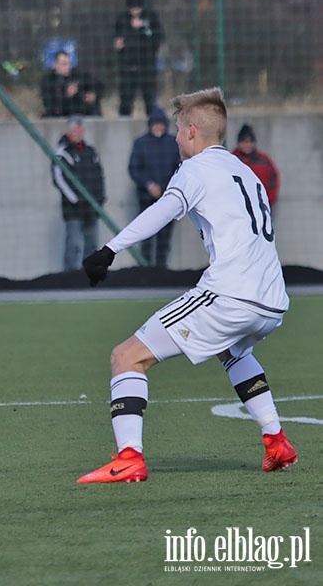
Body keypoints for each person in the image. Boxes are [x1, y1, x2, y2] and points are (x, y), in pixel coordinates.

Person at [78, 87, 295, 483]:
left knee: (126, 357)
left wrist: (109, 250)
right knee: (231, 350)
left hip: (231, 294)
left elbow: (161, 211)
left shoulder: (195, 170)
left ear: (192, 131)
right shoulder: (243, 169)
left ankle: (129, 458)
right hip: (273, 301)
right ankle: (276, 440)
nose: (177, 137)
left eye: (179, 129)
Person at [127, 107, 181, 268]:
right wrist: (148, 184)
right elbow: (134, 168)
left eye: (160, 124)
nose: (158, 127)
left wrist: (166, 188)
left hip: (168, 199)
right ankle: (146, 269)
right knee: (146, 235)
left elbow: (179, 168)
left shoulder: (173, 143)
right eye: (155, 124)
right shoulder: (140, 143)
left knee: (164, 238)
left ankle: (161, 269)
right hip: (146, 199)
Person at [51, 116, 106, 272]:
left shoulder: (90, 151)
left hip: (92, 207)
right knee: (74, 244)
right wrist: (76, 199)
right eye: (76, 129)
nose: (80, 132)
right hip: (74, 209)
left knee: (92, 244)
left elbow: (100, 175)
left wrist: (100, 197)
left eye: (81, 129)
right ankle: (71, 276)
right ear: (69, 132)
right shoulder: (62, 153)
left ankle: (89, 275)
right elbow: (59, 179)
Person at [114, 0, 164, 116]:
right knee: (126, 98)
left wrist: (143, 28)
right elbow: (116, 35)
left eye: (137, 8)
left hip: (147, 64)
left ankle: (153, 121)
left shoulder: (151, 17)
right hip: (128, 64)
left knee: (149, 97)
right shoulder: (122, 18)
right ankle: (124, 121)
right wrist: (117, 43)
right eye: (132, 8)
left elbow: (158, 38)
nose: (135, 11)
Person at [39, 51, 102, 118]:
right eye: (64, 64)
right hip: (60, 115)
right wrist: (67, 95)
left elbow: (99, 86)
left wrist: (94, 95)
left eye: (69, 63)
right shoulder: (48, 80)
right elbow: (49, 105)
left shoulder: (79, 75)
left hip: (82, 113)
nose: (68, 67)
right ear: (55, 65)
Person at [232, 123, 280, 210]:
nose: (247, 145)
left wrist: (267, 201)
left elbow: (273, 180)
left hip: (262, 205)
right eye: (244, 142)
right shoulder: (232, 160)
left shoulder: (264, 160)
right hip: (239, 207)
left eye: (250, 142)